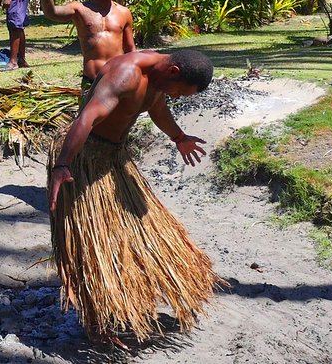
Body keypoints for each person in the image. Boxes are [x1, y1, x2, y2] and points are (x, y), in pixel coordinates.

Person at [47, 49, 223, 346]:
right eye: (179, 92)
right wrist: (63, 164)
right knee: (94, 243)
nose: (177, 98)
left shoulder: (159, 78)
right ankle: (96, 322)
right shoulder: (126, 75)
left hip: (115, 156)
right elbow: (87, 118)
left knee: (146, 230)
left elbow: (156, 107)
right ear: (174, 72)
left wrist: (179, 137)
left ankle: (133, 297)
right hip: (83, 159)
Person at [39, 0, 136, 99]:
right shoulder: (80, 9)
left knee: (120, 121)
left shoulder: (124, 13)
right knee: (87, 121)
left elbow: (130, 50)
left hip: (119, 81)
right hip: (92, 82)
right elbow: (52, 13)